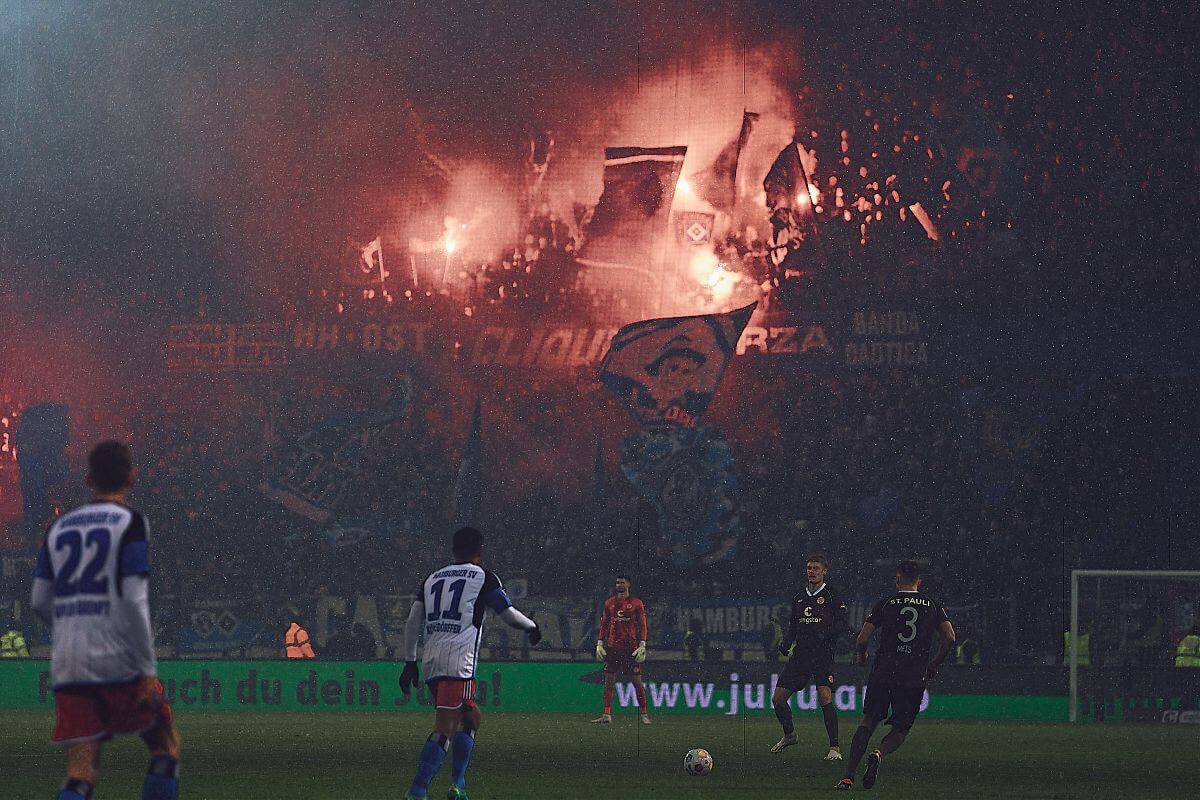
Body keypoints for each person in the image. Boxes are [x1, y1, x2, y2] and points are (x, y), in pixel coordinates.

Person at [29, 441, 181, 800]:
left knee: (80, 773)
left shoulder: (59, 527)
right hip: (119, 658)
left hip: (69, 663)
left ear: (89, 479)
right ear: (133, 477)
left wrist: (72, 628)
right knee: (165, 747)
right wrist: (146, 666)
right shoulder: (129, 523)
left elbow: (38, 601)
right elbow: (134, 598)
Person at [399, 526, 541, 800]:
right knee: (445, 728)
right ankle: (418, 790)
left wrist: (409, 662)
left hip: (432, 661)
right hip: (459, 663)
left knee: (471, 718)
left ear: (453, 549)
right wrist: (532, 627)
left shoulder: (432, 578)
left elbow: (412, 621)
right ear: (480, 550)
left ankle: (458, 786)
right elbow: (508, 614)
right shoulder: (483, 577)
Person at [836, 560, 955, 791]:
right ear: (919, 582)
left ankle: (848, 777)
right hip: (912, 675)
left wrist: (861, 657)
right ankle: (879, 753)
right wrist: (934, 664)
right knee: (900, 728)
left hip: (884, 671)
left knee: (869, 721)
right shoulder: (932, 605)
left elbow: (862, 638)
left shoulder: (887, 603)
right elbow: (950, 638)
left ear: (897, 579)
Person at [769, 554, 847, 760]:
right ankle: (790, 734)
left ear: (824, 571)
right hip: (801, 654)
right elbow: (794, 625)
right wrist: (786, 642)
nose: (811, 571)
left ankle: (834, 748)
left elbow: (842, 624)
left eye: (815, 568)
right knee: (778, 700)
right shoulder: (799, 597)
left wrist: (825, 634)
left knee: (824, 696)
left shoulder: (831, 595)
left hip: (822, 654)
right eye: (809, 568)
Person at [591, 574, 650, 724]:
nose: (619, 585)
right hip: (612, 648)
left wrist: (643, 644)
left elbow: (643, 624)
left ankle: (644, 714)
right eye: (617, 582)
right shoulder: (609, 603)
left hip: (630, 648)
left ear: (628, 584)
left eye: (622, 582)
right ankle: (606, 715)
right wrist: (599, 642)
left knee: (637, 682)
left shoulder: (636, 603)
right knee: (609, 682)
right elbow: (604, 624)